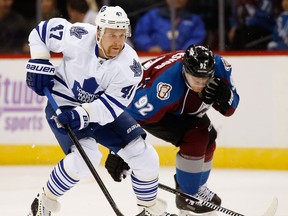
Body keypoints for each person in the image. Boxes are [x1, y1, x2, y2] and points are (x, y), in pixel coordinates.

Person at [26, 5, 176, 216]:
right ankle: (44, 203)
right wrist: (39, 60)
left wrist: (83, 115)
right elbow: (41, 32)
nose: (118, 41)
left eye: (122, 35)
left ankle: (149, 210)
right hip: (63, 101)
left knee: (145, 157)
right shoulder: (78, 36)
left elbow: (110, 107)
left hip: (101, 109)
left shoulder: (131, 66)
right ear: (98, 33)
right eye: (112, 35)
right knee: (85, 158)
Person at [105, 45, 240, 216]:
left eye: (204, 78)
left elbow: (232, 107)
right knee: (197, 135)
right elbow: (129, 113)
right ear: (185, 69)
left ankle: (195, 189)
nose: (200, 83)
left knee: (209, 139)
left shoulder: (221, 66)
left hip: (177, 106)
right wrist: (118, 150)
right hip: (148, 107)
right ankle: (188, 196)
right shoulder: (164, 86)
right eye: (195, 77)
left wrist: (226, 96)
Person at [133, 0, 206, 53]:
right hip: (155, 56)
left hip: (183, 58)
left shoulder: (195, 20)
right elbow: (140, 34)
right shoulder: (152, 15)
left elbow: (197, 37)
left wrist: (185, 50)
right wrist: (149, 46)